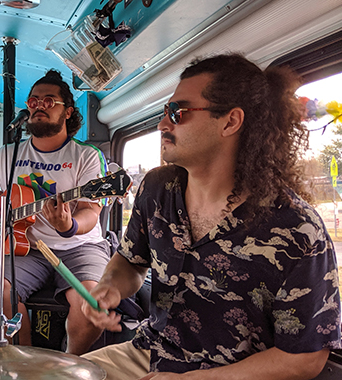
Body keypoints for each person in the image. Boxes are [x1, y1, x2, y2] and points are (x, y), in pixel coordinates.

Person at [81, 53, 341, 379]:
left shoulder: (297, 230)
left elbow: (306, 357)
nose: (163, 124)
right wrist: (110, 288)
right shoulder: (158, 189)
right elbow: (131, 262)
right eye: (165, 112)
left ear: (230, 122)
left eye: (178, 113)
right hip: (150, 354)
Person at [0, 69, 111, 355]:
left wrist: (69, 226)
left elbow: (92, 210)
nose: (39, 105)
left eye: (49, 100)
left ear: (68, 112)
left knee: (91, 300)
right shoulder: (9, 154)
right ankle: (24, 366)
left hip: (79, 246)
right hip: (25, 248)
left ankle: (71, 365)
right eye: (33, 100)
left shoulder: (87, 156)